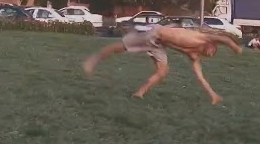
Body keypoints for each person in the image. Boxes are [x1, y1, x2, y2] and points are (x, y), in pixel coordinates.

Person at [83, 24, 243, 105]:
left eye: (212, 55)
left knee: (163, 71)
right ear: (212, 45)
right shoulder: (203, 38)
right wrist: (235, 47)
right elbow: (225, 39)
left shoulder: (194, 55)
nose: (211, 53)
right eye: (213, 50)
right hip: (155, 35)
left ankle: (139, 93)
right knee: (121, 47)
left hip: (159, 45)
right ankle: (93, 60)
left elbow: (200, 77)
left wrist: (212, 94)